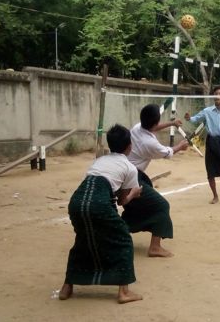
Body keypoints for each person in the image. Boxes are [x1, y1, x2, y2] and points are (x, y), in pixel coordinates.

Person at [59, 124, 143, 304]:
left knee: (82, 240)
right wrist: (134, 193)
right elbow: (122, 201)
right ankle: (124, 292)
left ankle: (67, 287)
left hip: (76, 201)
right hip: (99, 203)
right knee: (124, 240)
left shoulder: (100, 160)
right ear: (129, 146)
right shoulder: (130, 168)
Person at [122, 104, 189, 257]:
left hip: (127, 174)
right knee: (161, 205)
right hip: (133, 178)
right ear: (154, 122)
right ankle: (155, 247)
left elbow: (154, 127)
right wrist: (180, 146)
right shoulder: (149, 143)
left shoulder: (138, 127)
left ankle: (116, 231)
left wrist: (172, 123)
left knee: (135, 207)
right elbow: (167, 152)